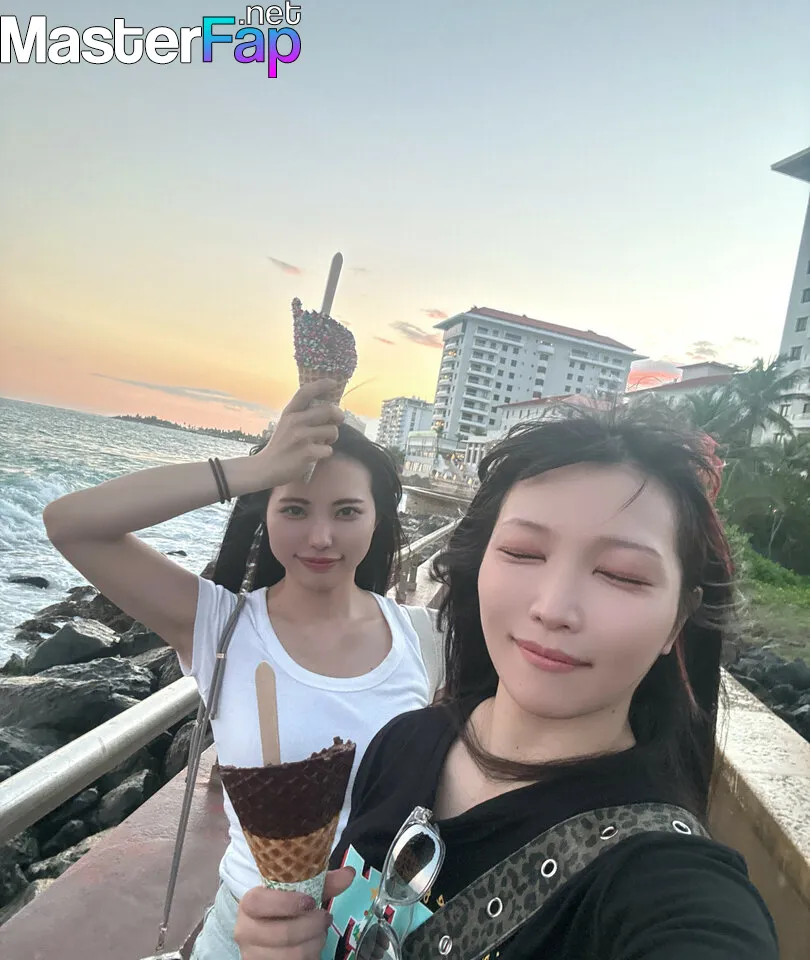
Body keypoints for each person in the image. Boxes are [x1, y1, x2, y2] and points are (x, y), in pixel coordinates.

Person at [232, 407, 780, 960]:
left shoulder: (665, 883)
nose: (553, 608)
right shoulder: (402, 742)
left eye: (621, 574)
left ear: (679, 620)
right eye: (523, 552)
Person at [42, 380, 444, 960]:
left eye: (347, 511)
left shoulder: (423, 637)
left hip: (375, 933)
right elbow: (69, 523)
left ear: (378, 518)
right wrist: (254, 469)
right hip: (245, 932)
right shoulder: (218, 624)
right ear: (265, 514)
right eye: (295, 509)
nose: (321, 537)